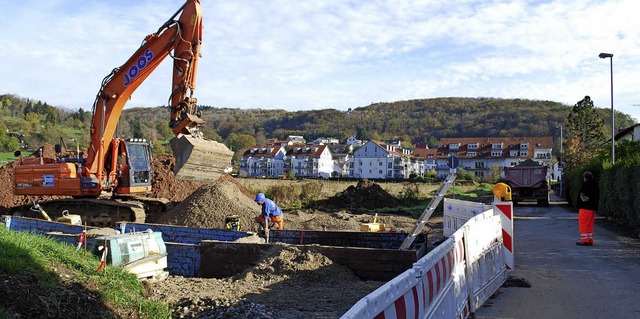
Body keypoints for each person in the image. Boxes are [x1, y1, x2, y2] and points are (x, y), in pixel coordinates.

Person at [576, 171, 599, 246]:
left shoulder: (586, 185)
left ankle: (585, 240)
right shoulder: (595, 185)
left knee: (583, 224)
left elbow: (583, 196)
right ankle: (590, 239)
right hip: (593, 208)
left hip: (585, 208)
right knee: (589, 224)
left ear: (585, 178)